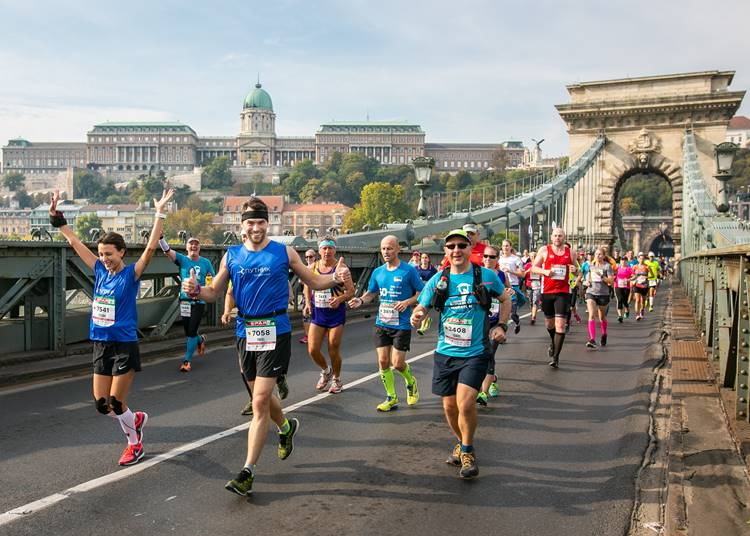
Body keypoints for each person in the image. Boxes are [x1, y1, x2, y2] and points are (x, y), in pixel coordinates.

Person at [182, 196, 353, 497]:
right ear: (242, 226)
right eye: (251, 222)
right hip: (245, 331)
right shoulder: (231, 256)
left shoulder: (283, 252)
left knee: (260, 401)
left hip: (276, 330)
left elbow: (313, 281)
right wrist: (196, 290)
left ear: (268, 223)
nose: (256, 227)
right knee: (259, 395)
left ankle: (247, 471)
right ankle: (286, 428)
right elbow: (213, 292)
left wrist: (336, 279)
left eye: (261, 222)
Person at [49, 187, 174, 466]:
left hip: (124, 345)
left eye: (109, 254)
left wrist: (159, 212)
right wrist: (56, 215)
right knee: (101, 405)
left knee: (117, 403)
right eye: (101, 254)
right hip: (101, 344)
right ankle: (135, 419)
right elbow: (72, 241)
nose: (104, 258)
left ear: (122, 252)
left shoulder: (131, 274)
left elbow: (151, 247)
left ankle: (134, 444)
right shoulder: (99, 271)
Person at [410, 229, 507, 479]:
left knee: (465, 404)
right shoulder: (439, 279)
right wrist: (418, 313)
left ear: (470, 248)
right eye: (451, 246)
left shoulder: (484, 276)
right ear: (445, 251)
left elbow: (506, 299)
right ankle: (461, 441)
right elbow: (424, 302)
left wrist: (501, 325)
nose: (456, 250)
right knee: (450, 408)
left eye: (461, 246)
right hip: (445, 353)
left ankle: (467, 450)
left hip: (475, 352)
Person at [348, 235, 424, 411]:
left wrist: (407, 302)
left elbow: (422, 292)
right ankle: (391, 397)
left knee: (397, 363)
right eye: (383, 248)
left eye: (390, 248)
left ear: (398, 249)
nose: (386, 252)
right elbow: (371, 294)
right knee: (383, 361)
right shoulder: (378, 272)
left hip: (402, 324)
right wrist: (360, 300)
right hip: (382, 323)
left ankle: (410, 381)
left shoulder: (408, 271)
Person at [304, 236, 355, 394]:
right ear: (319, 250)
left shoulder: (342, 269)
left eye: (330, 248)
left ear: (335, 250)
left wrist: (340, 299)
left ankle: (337, 379)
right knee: (312, 349)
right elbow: (308, 285)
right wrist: (306, 303)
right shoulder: (312, 267)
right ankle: (326, 371)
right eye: (324, 248)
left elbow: (351, 292)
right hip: (318, 313)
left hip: (335, 314)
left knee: (333, 347)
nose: (327, 251)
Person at [159, 236, 215, 372]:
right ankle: (200, 340)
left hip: (198, 301)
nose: (194, 246)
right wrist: (160, 238)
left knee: (191, 333)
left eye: (196, 244)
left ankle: (187, 361)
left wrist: (206, 289)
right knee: (188, 331)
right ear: (186, 247)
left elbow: (213, 279)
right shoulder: (182, 259)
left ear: (199, 248)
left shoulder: (206, 262)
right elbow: (167, 251)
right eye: (191, 244)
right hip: (185, 301)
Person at [531, 228, 578, 368]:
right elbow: (534, 268)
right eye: (555, 235)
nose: (558, 238)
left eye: (560, 236)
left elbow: (576, 270)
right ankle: (553, 341)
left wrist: (575, 270)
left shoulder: (571, 252)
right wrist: (545, 271)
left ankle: (556, 357)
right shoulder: (544, 250)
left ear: (564, 237)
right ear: (551, 237)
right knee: (549, 324)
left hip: (563, 292)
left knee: (561, 325)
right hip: (547, 292)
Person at [477, 244, 512, 405]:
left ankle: (483, 393)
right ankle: (493, 378)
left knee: (489, 352)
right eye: (485, 256)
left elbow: (509, 294)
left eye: (492, 257)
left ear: (497, 259)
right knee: (479, 355)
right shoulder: (476, 273)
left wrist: (510, 292)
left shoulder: (502, 275)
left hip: (495, 322)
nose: (488, 259)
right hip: (478, 322)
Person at [584, 248, 615, 348]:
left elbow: (611, 281)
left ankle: (604, 334)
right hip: (591, 292)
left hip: (603, 293)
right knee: (591, 315)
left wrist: (602, 277)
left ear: (604, 255)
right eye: (596, 254)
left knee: (601, 317)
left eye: (600, 254)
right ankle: (592, 339)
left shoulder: (607, 266)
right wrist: (587, 281)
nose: (598, 256)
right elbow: (588, 277)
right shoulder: (591, 266)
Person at [497, 239, 526, 334]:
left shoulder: (516, 259)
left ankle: (517, 322)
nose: (505, 247)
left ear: (510, 247)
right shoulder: (498, 259)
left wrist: (510, 271)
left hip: (512, 287)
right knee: (500, 313)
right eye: (503, 246)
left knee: (512, 313)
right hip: (501, 287)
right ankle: (502, 332)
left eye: (507, 246)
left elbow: (522, 274)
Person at [415, 252, 438, 335]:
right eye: (422, 258)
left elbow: (437, 280)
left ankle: (423, 327)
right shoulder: (416, 269)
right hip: (419, 292)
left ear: (428, 259)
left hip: (429, 292)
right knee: (420, 308)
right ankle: (426, 320)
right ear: (420, 259)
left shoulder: (433, 270)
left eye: (426, 258)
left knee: (425, 308)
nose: (424, 260)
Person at [299, 249, 317, 344]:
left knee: (317, 315)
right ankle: (307, 336)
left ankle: (316, 335)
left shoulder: (318, 267)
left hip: (316, 295)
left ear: (315, 257)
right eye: (306, 257)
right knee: (305, 315)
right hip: (306, 295)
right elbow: (300, 281)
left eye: (310, 256)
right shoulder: (304, 268)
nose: (308, 258)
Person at [524, 251, 542, 325]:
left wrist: (539, 272)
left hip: (537, 284)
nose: (533, 258)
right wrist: (528, 271)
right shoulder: (527, 265)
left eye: (534, 256)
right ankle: (532, 313)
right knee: (531, 301)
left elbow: (544, 275)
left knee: (535, 301)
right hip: (529, 284)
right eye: (531, 256)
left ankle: (533, 317)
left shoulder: (540, 265)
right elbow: (523, 274)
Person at [632, 252, 650, 320]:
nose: (641, 260)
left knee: (643, 300)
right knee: (637, 300)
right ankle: (637, 314)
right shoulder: (635, 267)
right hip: (637, 284)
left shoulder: (646, 266)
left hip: (644, 285)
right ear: (638, 259)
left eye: (643, 259)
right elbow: (632, 275)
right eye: (640, 258)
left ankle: (642, 309)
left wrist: (648, 273)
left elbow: (652, 275)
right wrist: (632, 280)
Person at [614, 257, 633, 322]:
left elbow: (634, 276)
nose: (623, 262)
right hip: (617, 286)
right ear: (620, 262)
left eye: (624, 261)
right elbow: (613, 274)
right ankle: (620, 316)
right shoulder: (617, 268)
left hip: (626, 287)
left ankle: (627, 310)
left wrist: (629, 279)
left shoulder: (629, 269)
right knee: (619, 300)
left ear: (626, 261)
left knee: (625, 301)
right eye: (622, 261)